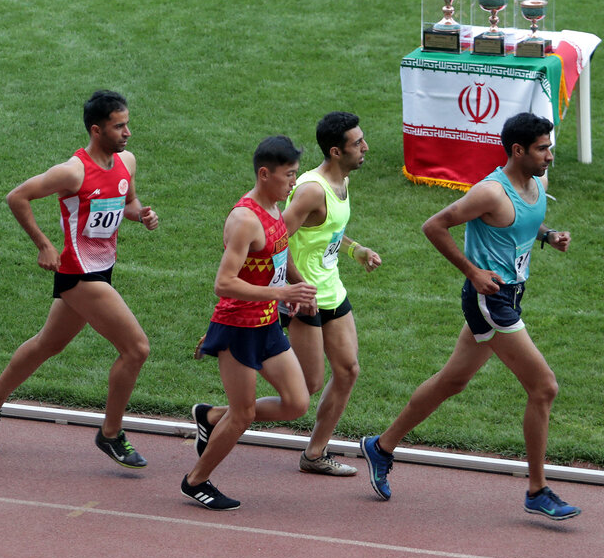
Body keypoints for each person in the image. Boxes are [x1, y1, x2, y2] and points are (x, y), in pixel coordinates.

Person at [361, 112, 581, 521]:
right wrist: (472, 271)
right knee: (544, 388)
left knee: (452, 381)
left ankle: (381, 446)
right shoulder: (490, 193)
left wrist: (548, 235)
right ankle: (537, 489)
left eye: (550, 147)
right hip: (489, 301)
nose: (550, 155)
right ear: (518, 150)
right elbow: (434, 226)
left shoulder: (537, 183)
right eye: (542, 148)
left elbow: (521, 223)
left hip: (511, 295)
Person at [0, 89, 158, 468]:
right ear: (96, 129)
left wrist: (141, 215)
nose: (127, 133)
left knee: (46, 345)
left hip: (102, 269)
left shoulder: (127, 162)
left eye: (127, 124)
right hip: (78, 273)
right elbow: (16, 197)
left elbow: (127, 203)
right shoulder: (73, 171)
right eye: (119, 126)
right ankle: (110, 434)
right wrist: (43, 244)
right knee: (136, 349)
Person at [183, 136, 317, 510]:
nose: (294, 182)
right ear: (264, 173)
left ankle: (210, 417)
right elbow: (223, 283)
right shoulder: (244, 219)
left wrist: (297, 286)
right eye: (289, 175)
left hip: (268, 324)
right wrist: (281, 295)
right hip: (239, 327)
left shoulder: (276, 208)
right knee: (243, 414)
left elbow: (279, 252)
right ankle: (196, 480)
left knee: (297, 402)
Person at [278, 112, 382, 476]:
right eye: (357, 143)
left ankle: (314, 453)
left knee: (349, 370)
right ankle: (216, 418)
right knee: (306, 389)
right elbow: (277, 239)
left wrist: (357, 251)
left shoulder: (342, 181)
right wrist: (294, 288)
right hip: (307, 298)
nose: (365, 147)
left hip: (332, 291)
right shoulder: (311, 189)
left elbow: (328, 234)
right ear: (336, 151)